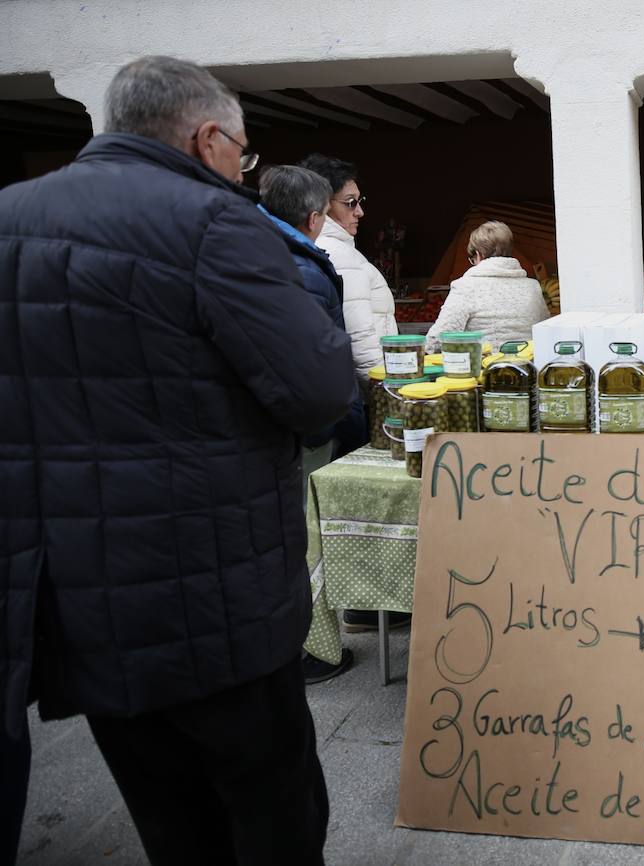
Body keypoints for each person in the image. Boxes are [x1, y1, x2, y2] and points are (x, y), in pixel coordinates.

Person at [0, 56, 355, 865]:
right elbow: (319, 391)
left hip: (74, 595)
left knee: (165, 814)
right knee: (271, 812)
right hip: (211, 586)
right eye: (243, 152)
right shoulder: (210, 222)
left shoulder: (8, 216)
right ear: (206, 138)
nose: (243, 167)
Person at [258, 164, 370, 684]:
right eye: (336, 208)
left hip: (274, 424)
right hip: (302, 426)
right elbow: (311, 356)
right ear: (313, 216)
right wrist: (336, 417)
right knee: (305, 537)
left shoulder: (257, 247)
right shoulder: (304, 265)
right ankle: (312, 649)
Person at [298, 153, 398, 380]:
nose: (359, 212)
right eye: (350, 203)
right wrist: (383, 385)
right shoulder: (337, 254)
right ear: (321, 204)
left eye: (359, 202)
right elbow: (358, 334)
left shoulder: (335, 249)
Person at [424, 220, 550, 351]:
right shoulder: (533, 287)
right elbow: (545, 330)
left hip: (486, 367)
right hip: (527, 366)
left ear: (479, 255)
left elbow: (438, 339)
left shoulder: (466, 287)